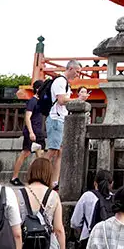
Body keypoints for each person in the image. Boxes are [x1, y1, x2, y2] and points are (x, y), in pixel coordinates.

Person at [46, 60, 81, 189]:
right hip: (56, 119)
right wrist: (78, 100)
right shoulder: (60, 81)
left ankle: (54, 182)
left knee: (59, 152)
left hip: (61, 119)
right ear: (70, 68)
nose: (77, 75)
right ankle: (39, 177)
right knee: (52, 151)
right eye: (77, 71)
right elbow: (61, 100)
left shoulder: (65, 83)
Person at [11, 79, 45, 186]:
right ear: (38, 89)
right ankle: (14, 177)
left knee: (40, 155)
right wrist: (31, 132)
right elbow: (27, 117)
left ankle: (38, 178)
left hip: (38, 132)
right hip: (32, 131)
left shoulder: (41, 102)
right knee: (25, 153)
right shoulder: (32, 101)